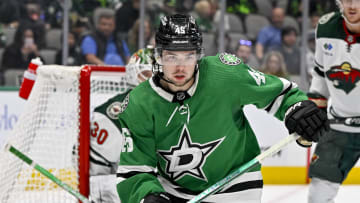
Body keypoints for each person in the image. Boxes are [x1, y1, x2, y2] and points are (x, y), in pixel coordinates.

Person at [116, 14, 329, 203]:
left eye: (188, 56)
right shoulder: (138, 102)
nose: (180, 67)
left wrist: (297, 109)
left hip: (235, 182)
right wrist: (146, 196)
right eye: (172, 57)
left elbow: (281, 94)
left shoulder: (225, 74)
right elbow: (134, 170)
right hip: (172, 190)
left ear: (198, 55)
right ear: (159, 56)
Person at [307, 1, 360, 203]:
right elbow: (320, 72)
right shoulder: (326, 26)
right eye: (347, 0)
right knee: (317, 196)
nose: (352, 5)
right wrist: (315, 106)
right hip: (338, 128)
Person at [89, 47, 154, 203]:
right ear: (133, 74)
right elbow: (96, 174)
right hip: (116, 187)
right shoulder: (113, 112)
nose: (154, 79)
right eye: (146, 73)